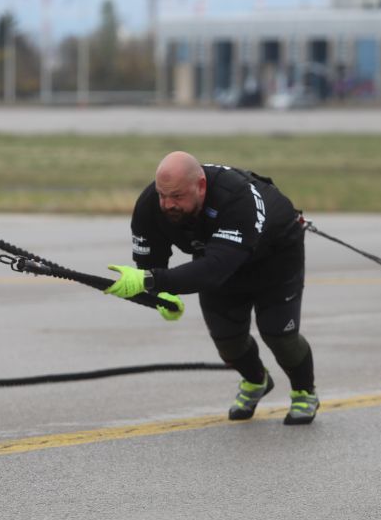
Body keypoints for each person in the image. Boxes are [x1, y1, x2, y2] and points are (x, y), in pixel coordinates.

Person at [105, 151, 319, 424]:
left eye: (177, 197)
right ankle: (256, 381)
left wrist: (152, 281)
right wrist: (159, 296)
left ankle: (304, 391)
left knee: (278, 335)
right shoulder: (150, 205)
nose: (167, 204)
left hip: (274, 260)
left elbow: (214, 270)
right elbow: (150, 266)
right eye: (163, 195)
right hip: (218, 257)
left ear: (201, 187)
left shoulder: (236, 197)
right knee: (227, 340)